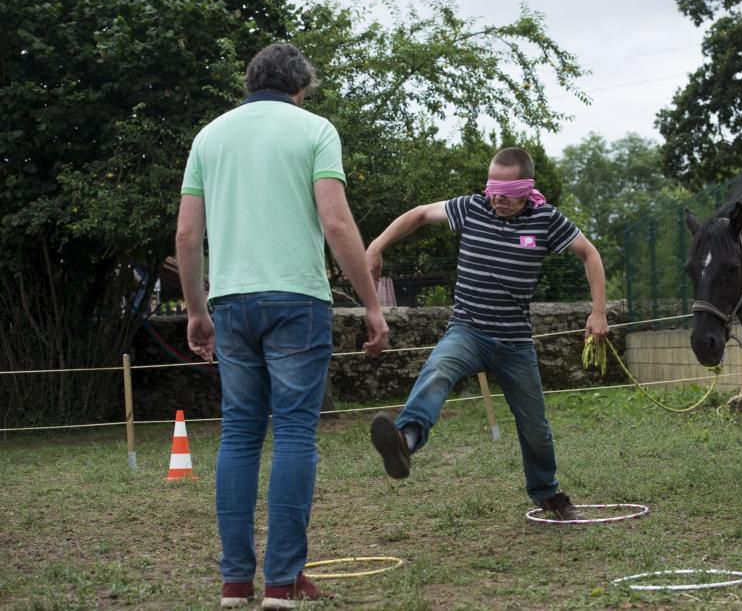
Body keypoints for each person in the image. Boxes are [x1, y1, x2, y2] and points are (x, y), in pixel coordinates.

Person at [175, 43, 389, 609]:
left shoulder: (209, 137)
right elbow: (337, 223)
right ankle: (282, 582)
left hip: (231, 301)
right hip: (297, 299)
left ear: (250, 82)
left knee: (240, 434)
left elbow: (186, 236)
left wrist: (197, 311)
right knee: (294, 432)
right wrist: (370, 304)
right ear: (300, 88)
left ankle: (234, 581)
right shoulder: (315, 130)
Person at [366, 147, 608, 520]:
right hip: (468, 329)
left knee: (535, 427)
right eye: (492, 189)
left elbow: (589, 254)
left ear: (526, 190)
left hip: (515, 342)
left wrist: (598, 311)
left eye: (507, 194)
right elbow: (418, 215)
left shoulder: (546, 220)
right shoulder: (471, 208)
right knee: (437, 372)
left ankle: (546, 492)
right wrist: (377, 245)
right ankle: (405, 441)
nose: (497, 199)